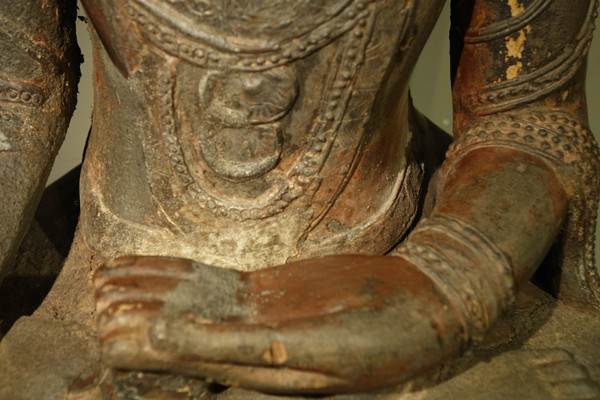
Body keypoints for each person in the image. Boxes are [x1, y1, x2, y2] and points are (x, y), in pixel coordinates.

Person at [1, 0, 599, 398]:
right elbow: (15, 93)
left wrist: (444, 280)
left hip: (406, 260)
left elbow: (526, 112)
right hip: (103, 279)